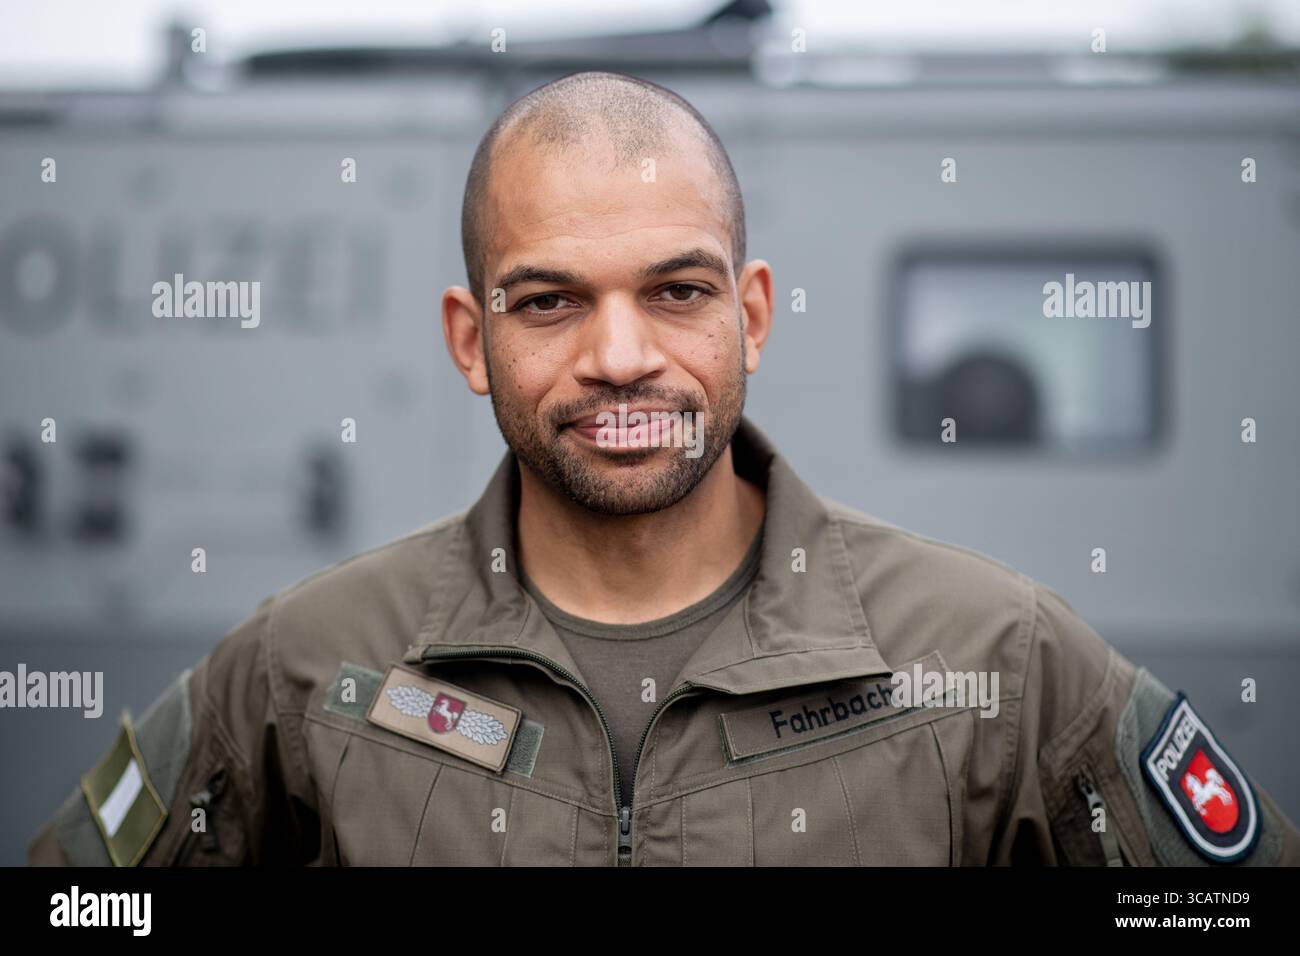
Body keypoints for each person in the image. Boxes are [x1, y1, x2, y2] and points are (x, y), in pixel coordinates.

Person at [28, 70, 1299, 867]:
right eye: (549, 303)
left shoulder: (999, 661)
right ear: (471, 340)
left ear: (748, 314)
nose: (619, 356)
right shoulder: (312, 666)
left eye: (675, 291)